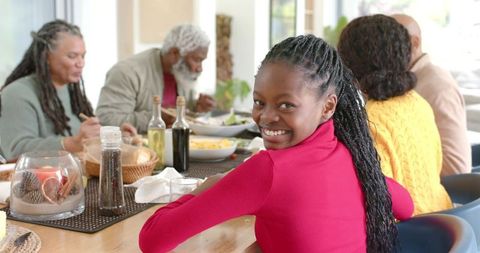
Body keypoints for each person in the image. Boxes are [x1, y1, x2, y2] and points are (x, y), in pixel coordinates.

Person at [139, 35, 414, 252]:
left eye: (286, 105)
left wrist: (208, 188)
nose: (266, 117)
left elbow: (152, 239)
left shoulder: (268, 170)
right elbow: (405, 206)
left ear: (328, 106)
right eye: (259, 102)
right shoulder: (352, 156)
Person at [337, 14, 452, 215]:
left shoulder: (370, 123)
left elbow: (380, 208)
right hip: (444, 221)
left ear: (349, 68)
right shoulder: (417, 102)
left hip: (411, 234)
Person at [0, 20, 135, 160]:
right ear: (46, 57)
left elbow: (81, 141)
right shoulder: (16, 93)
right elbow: (15, 150)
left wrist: (112, 136)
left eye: (83, 56)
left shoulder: (71, 92)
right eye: (72, 56)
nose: (81, 63)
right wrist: (72, 143)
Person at [95, 24, 216, 133]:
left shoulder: (181, 74)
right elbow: (107, 119)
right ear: (174, 53)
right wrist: (157, 117)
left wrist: (196, 109)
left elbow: (180, 119)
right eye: (197, 60)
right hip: (139, 153)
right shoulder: (128, 72)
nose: (199, 68)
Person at [391, 14, 471, 176]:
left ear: (414, 43)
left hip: (434, 195)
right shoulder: (401, 81)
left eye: (390, 43)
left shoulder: (437, 86)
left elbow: (456, 169)